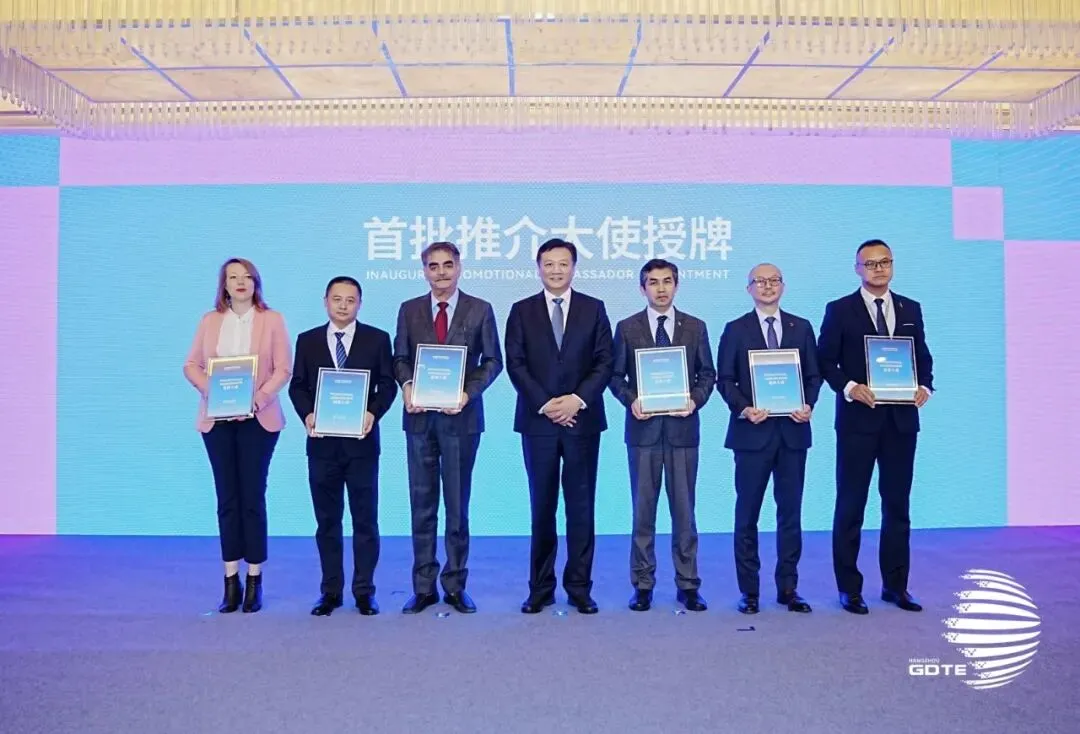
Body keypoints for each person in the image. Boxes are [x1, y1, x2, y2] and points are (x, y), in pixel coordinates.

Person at [818, 240, 934, 615]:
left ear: (892, 265)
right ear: (857, 269)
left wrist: (925, 385)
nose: (879, 269)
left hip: (901, 422)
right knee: (851, 505)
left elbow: (922, 356)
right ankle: (849, 589)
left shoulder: (910, 308)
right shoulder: (839, 309)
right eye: (870, 263)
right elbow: (825, 360)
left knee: (898, 506)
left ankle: (895, 586)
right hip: (858, 421)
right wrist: (850, 388)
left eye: (885, 262)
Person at [392, 242, 504, 615]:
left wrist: (467, 394)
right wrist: (408, 385)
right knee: (421, 505)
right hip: (419, 420)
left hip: (461, 420)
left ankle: (455, 585)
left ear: (459, 267)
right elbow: (400, 358)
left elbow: (493, 361)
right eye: (433, 266)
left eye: (447, 265)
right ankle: (423, 587)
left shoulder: (480, 309)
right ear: (424, 270)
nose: (441, 272)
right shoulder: (409, 310)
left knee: (457, 506)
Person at [504, 238, 613, 615]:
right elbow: (515, 363)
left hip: (583, 421)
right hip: (539, 424)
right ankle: (540, 588)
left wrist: (576, 400)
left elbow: (604, 361)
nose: (555, 270)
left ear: (574, 267)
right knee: (542, 506)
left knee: (582, 508)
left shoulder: (594, 308)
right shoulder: (521, 310)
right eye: (548, 264)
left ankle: (580, 587)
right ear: (538, 268)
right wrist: (547, 404)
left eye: (563, 263)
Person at [183, 257, 292, 614]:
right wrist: (211, 391)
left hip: (258, 419)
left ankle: (255, 579)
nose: (240, 282)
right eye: (233, 277)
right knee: (227, 499)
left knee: (252, 498)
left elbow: (283, 369)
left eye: (247, 276)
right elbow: (191, 365)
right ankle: (231, 580)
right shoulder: (210, 320)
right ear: (224, 285)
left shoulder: (272, 320)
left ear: (256, 283)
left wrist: (258, 399)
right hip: (217, 420)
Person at [608, 259, 715, 612]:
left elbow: (707, 374)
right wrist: (631, 400)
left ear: (677, 285)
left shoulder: (695, 327)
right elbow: (615, 376)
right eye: (653, 282)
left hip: (683, 432)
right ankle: (642, 585)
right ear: (642, 289)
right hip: (643, 432)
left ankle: (688, 584)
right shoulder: (627, 327)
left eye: (667, 281)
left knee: (685, 514)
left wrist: (694, 400)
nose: (661, 288)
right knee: (643, 513)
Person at [287, 276, 397, 617]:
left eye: (351, 300)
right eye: (337, 299)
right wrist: (307, 414)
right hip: (322, 447)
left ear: (360, 304)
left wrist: (372, 413)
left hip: (362, 446)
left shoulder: (377, 339)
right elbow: (297, 386)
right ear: (325, 302)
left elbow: (388, 384)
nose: (343, 305)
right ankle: (330, 592)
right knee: (327, 523)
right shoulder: (307, 340)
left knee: (366, 522)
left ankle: (364, 592)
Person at [716, 263, 822, 614]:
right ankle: (749, 591)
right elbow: (724, 380)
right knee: (747, 515)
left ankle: (788, 589)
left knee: (790, 515)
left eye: (773, 280)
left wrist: (808, 404)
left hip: (793, 434)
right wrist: (744, 408)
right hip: (751, 435)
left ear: (783, 286)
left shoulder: (801, 327)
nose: (767, 286)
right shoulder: (735, 329)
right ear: (749, 288)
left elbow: (813, 375)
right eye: (759, 281)